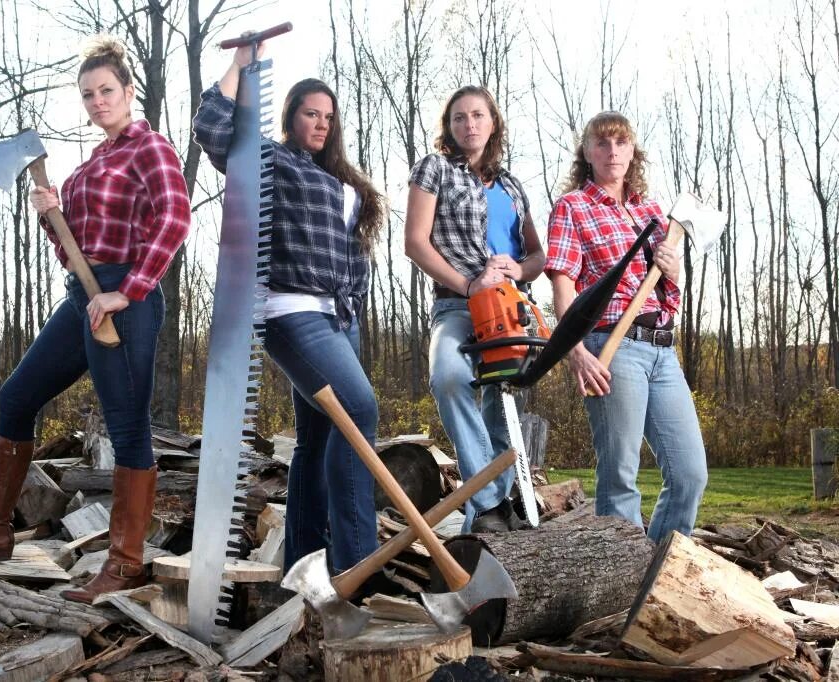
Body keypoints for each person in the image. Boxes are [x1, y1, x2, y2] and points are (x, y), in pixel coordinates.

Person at [0, 36, 191, 602]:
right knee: (17, 395)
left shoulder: (150, 148)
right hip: (82, 296)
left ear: (127, 92)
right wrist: (52, 214)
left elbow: (174, 219)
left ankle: (125, 563)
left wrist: (129, 291)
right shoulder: (94, 161)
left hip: (127, 300)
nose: (98, 101)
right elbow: (74, 245)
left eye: (106, 91)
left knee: (126, 426)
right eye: (88, 94)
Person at [193, 42, 385, 574]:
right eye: (309, 113)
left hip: (343, 318)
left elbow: (354, 259)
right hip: (293, 311)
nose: (320, 124)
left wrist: (356, 312)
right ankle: (358, 569)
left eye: (328, 117)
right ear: (291, 116)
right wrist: (239, 66)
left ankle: (303, 566)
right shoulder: (272, 161)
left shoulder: (345, 181)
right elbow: (212, 127)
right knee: (359, 411)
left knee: (318, 437)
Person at [545, 111, 707, 542]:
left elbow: (671, 289)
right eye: (601, 143)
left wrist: (674, 270)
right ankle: (622, 585)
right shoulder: (573, 207)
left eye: (620, 142)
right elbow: (563, 287)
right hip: (612, 348)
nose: (611, 151)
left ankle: (659, 573)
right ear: (587, 152)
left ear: (632, 150)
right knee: (620, 477)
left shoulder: (653, 213)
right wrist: (576, 351)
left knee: (690, 474)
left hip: (663, 348)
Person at [405, 86, 546, 533]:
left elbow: (538, 258)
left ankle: (487, 523)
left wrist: (517, 269)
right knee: (448, 377)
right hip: (459, 306)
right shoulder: (435, 170)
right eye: (460, 117)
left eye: (478, 116)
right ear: (449, 125)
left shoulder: (511, 185)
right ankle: (488, 504)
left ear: (493, 123)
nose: (469, 124)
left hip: (511, 310)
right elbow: (414, 242)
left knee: (502, 409)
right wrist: (468, 284)